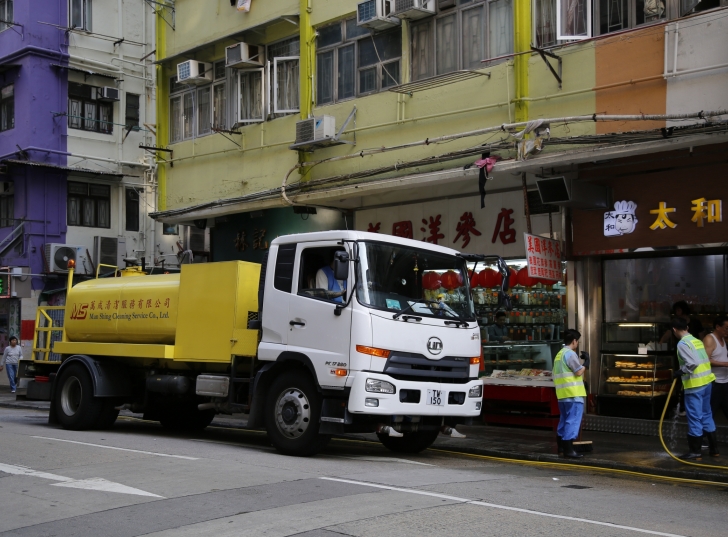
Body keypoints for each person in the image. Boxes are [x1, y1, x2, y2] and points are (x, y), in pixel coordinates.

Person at [672, 318, 718, 459]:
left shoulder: (682, 344)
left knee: (694, 417)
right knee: (706, 414)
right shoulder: (696, 340)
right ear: (687, 327)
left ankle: (695, 451)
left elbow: (693, 363)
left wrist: (681, 371)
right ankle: (714, 450)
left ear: (674, 330)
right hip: (707, 383)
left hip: (695, 385)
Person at [553, 329, 589, 459]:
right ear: (574, 341)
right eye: (577, 341)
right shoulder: (570, 353)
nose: (577, 343)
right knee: (572, 421)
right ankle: (569, 450)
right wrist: (587, 363)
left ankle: (561, 447)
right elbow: (578, 372)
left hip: (562, 395)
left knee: (564, 420)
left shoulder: (559, 354)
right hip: (573, 395)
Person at [704, 316, 728, 421]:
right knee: (710, 413)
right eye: (726, 328)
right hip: (714, 383)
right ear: (718, 327)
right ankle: (704, 436)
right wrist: (725, 364)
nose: (727, 331)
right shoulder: (710, 339)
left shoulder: (723, 339)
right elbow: (705, 361)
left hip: (725, 382)